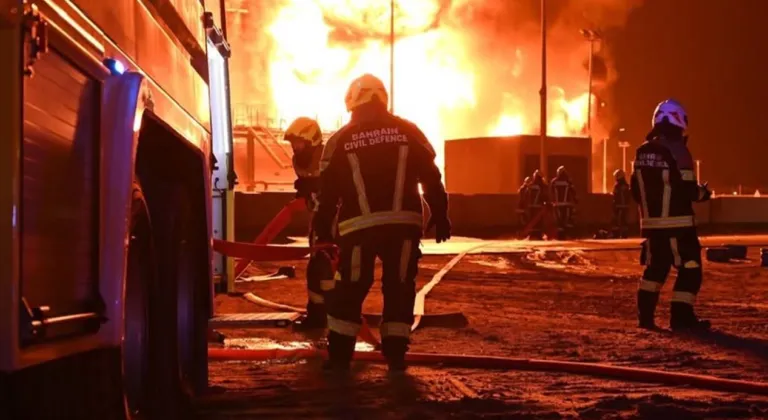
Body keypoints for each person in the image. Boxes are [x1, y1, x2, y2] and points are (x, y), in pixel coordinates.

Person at [313, 73, 451, 372]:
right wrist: (441, 214)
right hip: (404, 226)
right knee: (399, 285)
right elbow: (431, 177)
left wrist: (323, 232)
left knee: (351, 287)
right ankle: (396, 354)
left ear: (351, 102)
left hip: (359, 228)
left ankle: (339, 356)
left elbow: (327, 195)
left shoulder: (340, 140)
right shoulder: (409, 130)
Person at [630, 99, 712, 331]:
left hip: (651, 226)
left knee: (655, 270)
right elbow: (687, 189)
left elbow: (636, 191)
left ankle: (645, 319)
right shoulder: (678, 150)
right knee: (691, 267)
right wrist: (703, 193)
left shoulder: (641, 152)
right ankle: (681, 319)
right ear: (678, 119)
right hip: (678, 225)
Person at [284, 117, 332, 329]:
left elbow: (337, 188)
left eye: (299, 142)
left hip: (335, 222)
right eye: (293, 143)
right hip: (317, 221)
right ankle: (318, 314)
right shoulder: (298, 160)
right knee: (314, 268)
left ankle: (330, 314)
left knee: (327, 269)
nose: (295, 147)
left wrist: (313, 185)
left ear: (312, 140)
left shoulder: (327, 157)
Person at [549, 166, 577, 239]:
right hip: (566, 205)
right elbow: (573, 192)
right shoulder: (568, 181)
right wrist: (575, 200)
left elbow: (551, 193)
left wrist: (551, 201)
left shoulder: (554, 182)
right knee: (566, 220)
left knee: (559, 221)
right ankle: (566, 235)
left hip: (557, 205)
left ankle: (560, 236)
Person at [526, 170, 548, 240]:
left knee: (531, 221)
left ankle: (532, 235)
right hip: (539, 207)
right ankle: (538, 235)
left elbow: (526, 195)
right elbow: (545, 196)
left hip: (531, 207)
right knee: (539, 222)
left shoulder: (530, 186)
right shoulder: (542, 186)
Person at [611, 169, 631, 238]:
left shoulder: (618, 186)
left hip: (619, 206)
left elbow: (616, 196)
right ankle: (624, 234)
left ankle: (616, 234)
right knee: (623, 220)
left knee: (618, 220)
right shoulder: (626, 186)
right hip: (623, 206)